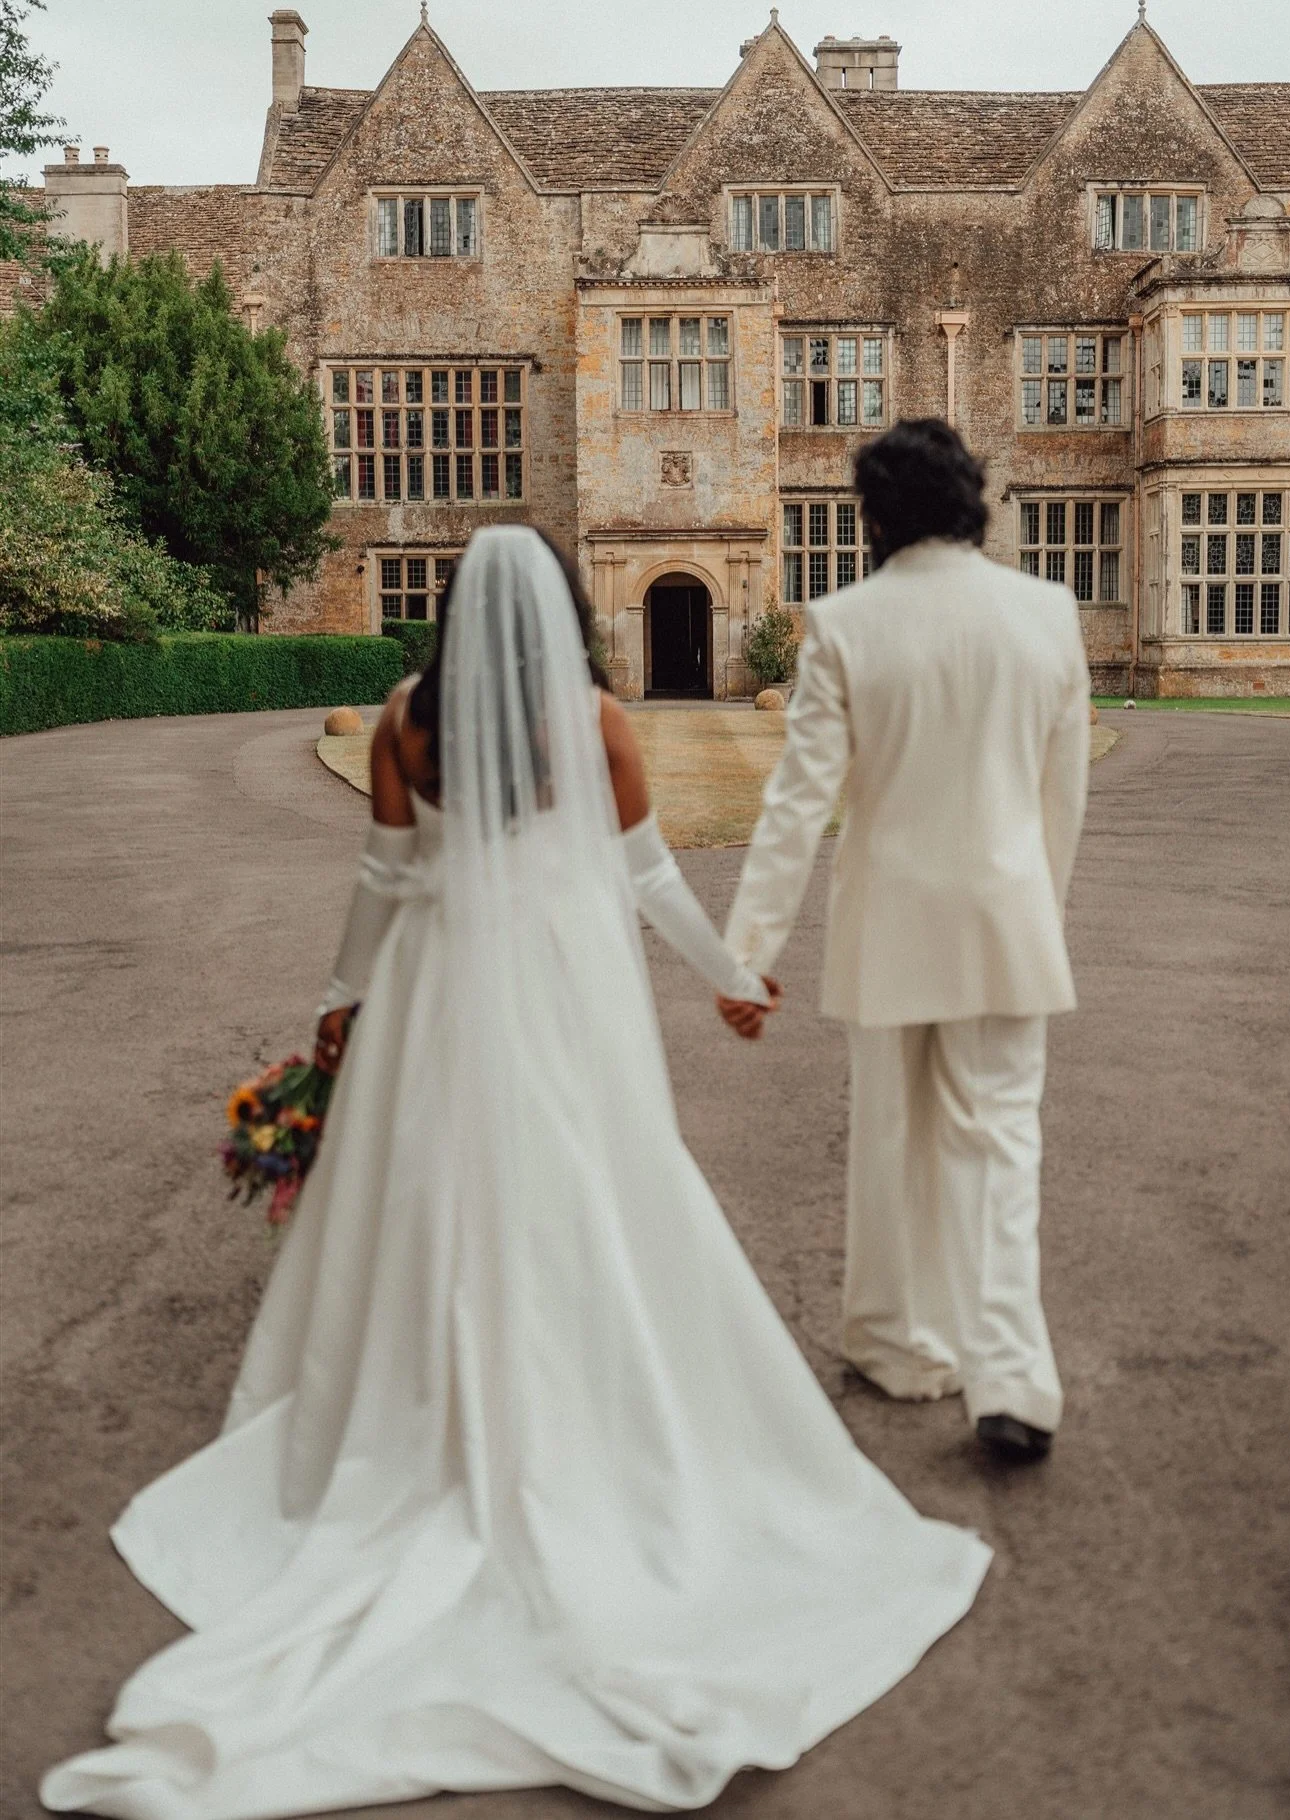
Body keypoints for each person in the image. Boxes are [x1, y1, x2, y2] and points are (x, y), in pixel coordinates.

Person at [43, 525, 990, 1819]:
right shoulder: (593, 720)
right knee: (590, 1192)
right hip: (560, 991)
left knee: (431, 1201)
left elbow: (382, 882)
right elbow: (642, 872)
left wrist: (337, 1005)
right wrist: (729, 980)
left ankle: (425, 1407)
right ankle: (575, 1406)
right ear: (556, 610)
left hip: (437, 989)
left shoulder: (400, 723)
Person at [719, 420, 1091, 1463]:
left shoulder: (845, 623)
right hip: (1009, 917)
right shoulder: (1047, 614)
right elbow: (1062, 799)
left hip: (889, 926)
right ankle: (1011, 1378)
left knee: (890, 1137)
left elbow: (798, 805)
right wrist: (1037, 911)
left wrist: (746, 950)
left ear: (875, 514)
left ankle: (896, 1343)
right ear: (973, 497)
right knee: (1003, 1147)